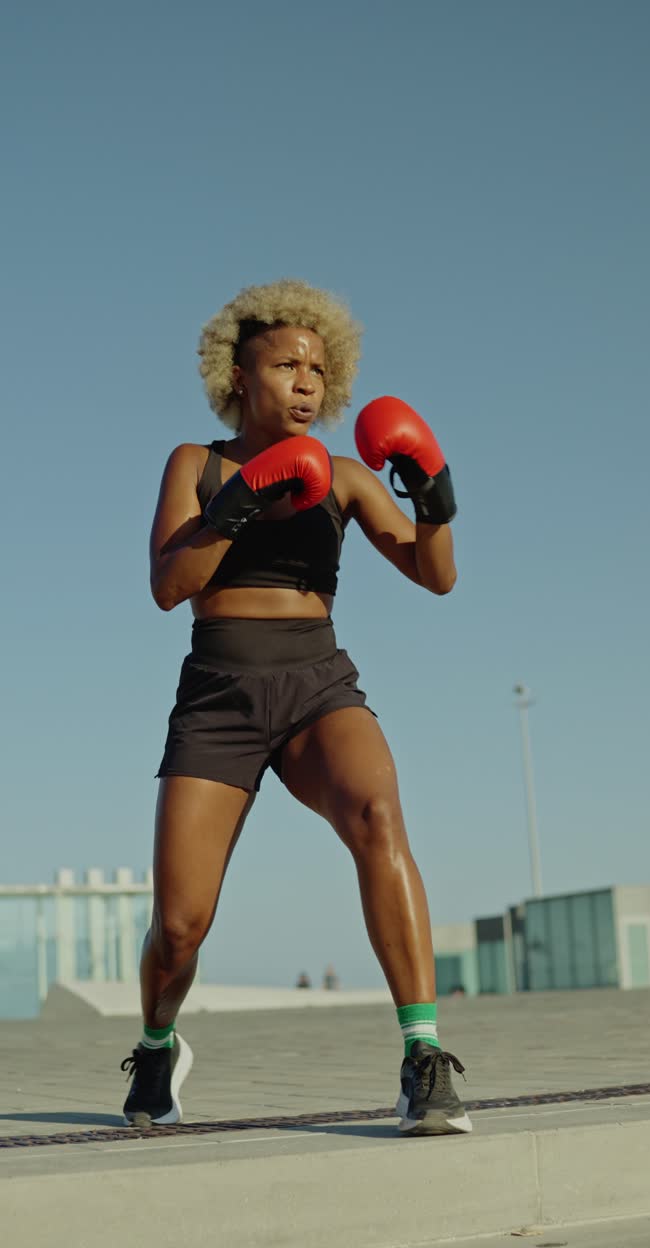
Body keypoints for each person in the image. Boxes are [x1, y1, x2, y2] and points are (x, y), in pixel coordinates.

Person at [120, 279, 470, 1137]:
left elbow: (437, 574)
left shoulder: (347, 477)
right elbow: (170, 586)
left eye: (318, 368)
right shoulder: (194, 465)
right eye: (285, 365)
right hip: (218, 694)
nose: (307, 383)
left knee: (378, 815)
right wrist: (236, 509)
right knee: (180, 924)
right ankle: (159, 1043)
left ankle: (423, 1057)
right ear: (239, 375)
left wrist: (435, 500)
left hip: (316, 682)